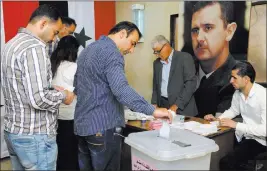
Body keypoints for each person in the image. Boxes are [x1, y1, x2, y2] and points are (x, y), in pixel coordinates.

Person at [74, 21, 173, 171]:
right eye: (132, 43)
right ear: (121, 34)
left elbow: (78, 85)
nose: (132, 50)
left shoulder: (88, 50)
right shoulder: (112, 53)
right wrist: (152, 110)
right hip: (103, 127)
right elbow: (121, 89)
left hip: (83, 126)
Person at [1, 5, 75, 170]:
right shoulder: (35, 48)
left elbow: (20, 86)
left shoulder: (11, 44)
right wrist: (65, 96)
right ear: (43, 24)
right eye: (55, 32)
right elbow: (38, 98)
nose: (55, 39)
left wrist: (50, 87)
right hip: (35, 135)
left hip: (14, 131)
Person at [204, 61, 266, 170]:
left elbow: (265, 130)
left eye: (234, 78)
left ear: (246, 79)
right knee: (217, 150)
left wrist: (236, 125)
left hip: (260, 141)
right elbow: (233, 110)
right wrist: (217, 119)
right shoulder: (238, 92)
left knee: (226, 163)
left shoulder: (263, 96)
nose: (231, 81)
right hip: (244, 136)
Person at [191, 1, 237, 118]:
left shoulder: (236, 79)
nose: (199, 38)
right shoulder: (185, 69)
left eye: (208, 28)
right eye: (195, 30)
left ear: (229, 31)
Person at [51, 35, 80, 170]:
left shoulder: (52, 65)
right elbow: (81, 91)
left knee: (59, 150)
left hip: (54, 116)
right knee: (71, 153)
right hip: (71, 116)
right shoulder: (74, 67)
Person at [151, 35, 197, 116]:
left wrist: (176, 105)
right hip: (164, 107)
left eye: (158, 51)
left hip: (183, 108)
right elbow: (155, 86)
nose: (157, 55)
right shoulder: (157, 63)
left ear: (166, 46)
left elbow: (190, 84)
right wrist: (154, 103)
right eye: (155, 52)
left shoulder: (184, 58)